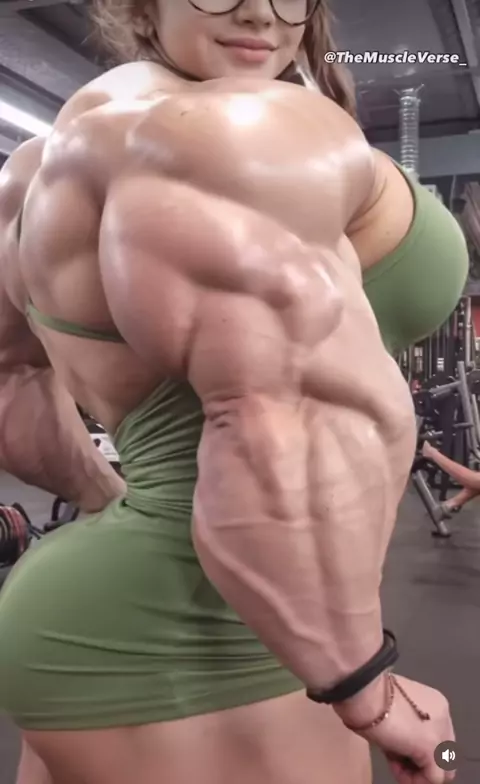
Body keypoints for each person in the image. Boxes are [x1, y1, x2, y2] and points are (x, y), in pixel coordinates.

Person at [0, 1, 468, 783]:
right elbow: (269, 420)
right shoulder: (234, 131)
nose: (258, 10)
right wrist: (365, 686)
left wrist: (107, 498)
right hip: (217, 634)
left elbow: (12, 386)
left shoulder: (33, 170)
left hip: (82, 621)